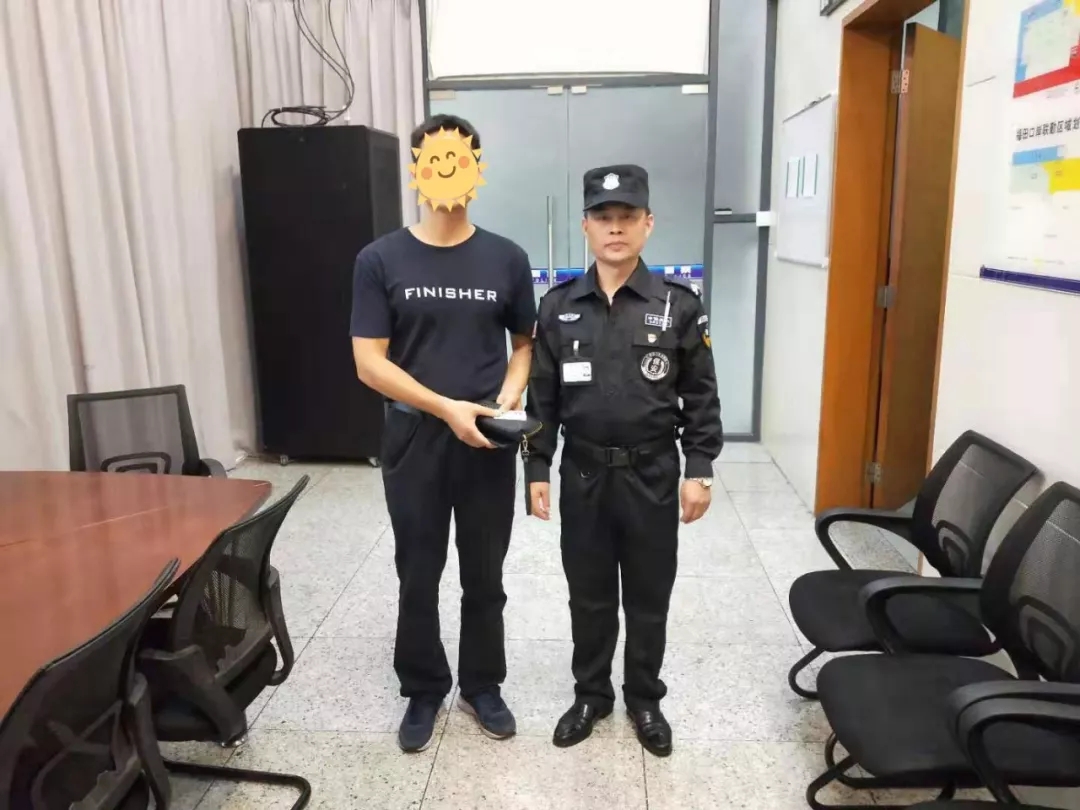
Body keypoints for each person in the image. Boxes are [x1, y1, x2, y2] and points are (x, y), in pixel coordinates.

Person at [350, 114, 536, 753]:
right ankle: (423, 686)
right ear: (418, 169)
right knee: (418, 569)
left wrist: (509, 393)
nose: (447, 170)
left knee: (485, 571)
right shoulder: (380, 258)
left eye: (460, 159)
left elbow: (524, 344)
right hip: (414, 439)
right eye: (436, 159)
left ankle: (482, 684)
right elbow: (369, 362)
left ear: (476, 168)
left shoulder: (507, 257)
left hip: (485, 439)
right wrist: (442, 407)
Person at [523, 164, 723, 758]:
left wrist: (700, 468)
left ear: (647, 224)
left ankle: (644, 698)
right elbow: (542, 397)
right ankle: (591, 695)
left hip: (652, 473)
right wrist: (537, 467)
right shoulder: (558, 306)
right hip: (583, 472)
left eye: (627, 217)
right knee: (587, 594)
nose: (616, 228)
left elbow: (701, 395)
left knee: (647, 594)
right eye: (604, 217)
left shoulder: (678, 306)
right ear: (586, 226)